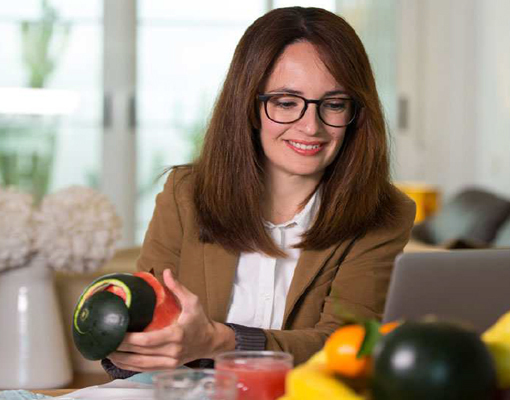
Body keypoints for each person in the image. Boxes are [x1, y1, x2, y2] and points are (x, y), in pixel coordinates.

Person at [103, 6, 416, 378]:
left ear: (356, 113)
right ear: (250, 108)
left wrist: (220, 341)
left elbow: (344, 347)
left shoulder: (384, 213)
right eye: (286, 102)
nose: (310, 126)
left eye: (333, 104)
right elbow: (146, 322)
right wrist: (130, 348)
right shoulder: (184, 194)